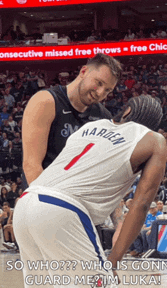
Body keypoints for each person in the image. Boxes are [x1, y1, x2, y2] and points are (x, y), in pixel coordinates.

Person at [13, 95, 166, 288]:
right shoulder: (154, 140)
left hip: (26, 202)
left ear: (127, 111)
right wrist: (112, 261)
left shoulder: (88, 128)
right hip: (62, 207)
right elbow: (141, 204)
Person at [22, 53, 121, 190]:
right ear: (84, 71)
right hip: (45, 196)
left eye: (107, 90)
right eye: (98, 83)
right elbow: (32, 166)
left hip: (81, 198)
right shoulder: (45, 102)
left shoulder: (103, 116)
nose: (100, 93)